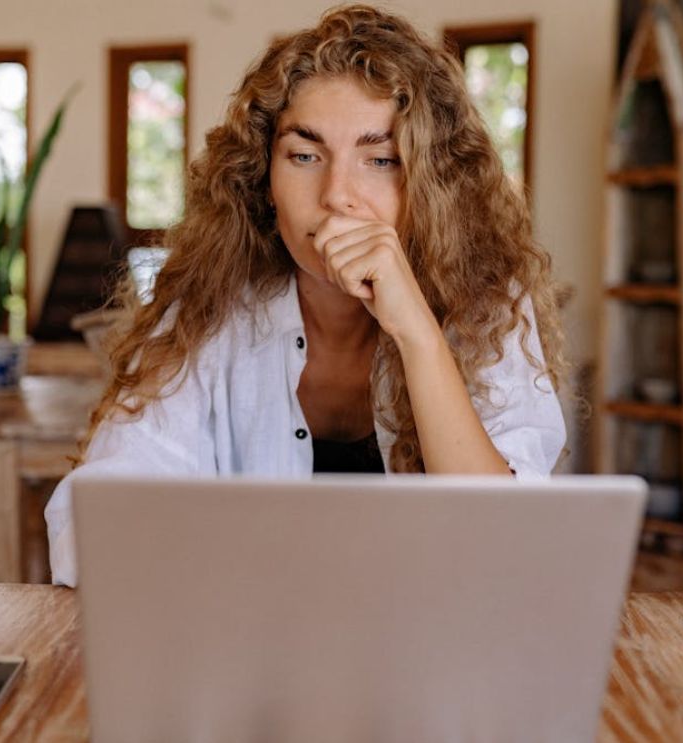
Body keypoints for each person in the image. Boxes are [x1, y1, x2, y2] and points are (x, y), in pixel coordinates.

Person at [45, 3, 567, 586]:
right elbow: (86, 525)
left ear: (431, 184)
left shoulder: (489, 303)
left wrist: (417, 333)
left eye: (380, 159)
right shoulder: (205, 308)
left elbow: (504, 550)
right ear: (264, 179)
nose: (337, 196)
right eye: (304, 155)